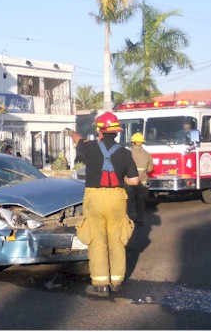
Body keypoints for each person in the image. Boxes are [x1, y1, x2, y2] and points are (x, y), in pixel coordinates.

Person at [66, 112, 139, 297]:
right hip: (117, 199)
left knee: (97, 240)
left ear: (99, 131)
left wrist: (70, 132)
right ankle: (116, 281)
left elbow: (78, 139)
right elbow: (134, 181)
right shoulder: (125, 152)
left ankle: (101, 285)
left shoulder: (89, 148)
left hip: (95, 199)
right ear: (116, 132)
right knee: (117, 240)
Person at [127, 133, 153, 226]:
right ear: (142, 143)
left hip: (129, 181)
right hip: (142, 182)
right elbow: (150, 169)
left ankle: (130, 219)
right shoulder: (147, 154)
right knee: (141, 201)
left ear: (132, 142)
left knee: (129, 201)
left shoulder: (128, 153)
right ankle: (140, 219)